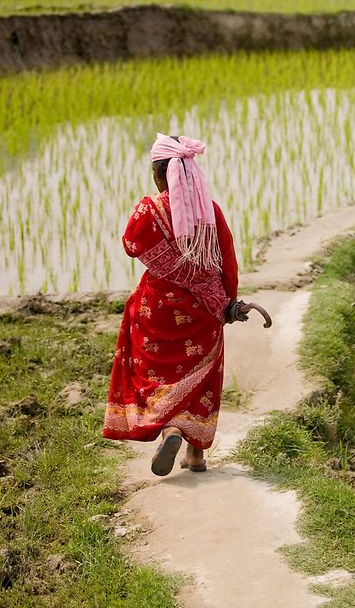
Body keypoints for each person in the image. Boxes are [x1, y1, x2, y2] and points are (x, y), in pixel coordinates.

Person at [103, 134, 241, 476]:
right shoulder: (210, 212)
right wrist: (228, 301)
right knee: (202, 377)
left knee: (158, 374)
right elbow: (227, 257)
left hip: (157, 311)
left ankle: (171, 429)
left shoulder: (147, 210)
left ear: (158, 175)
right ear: (191, 172)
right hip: (203, 311)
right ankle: (195, 456)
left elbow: (130, 244)